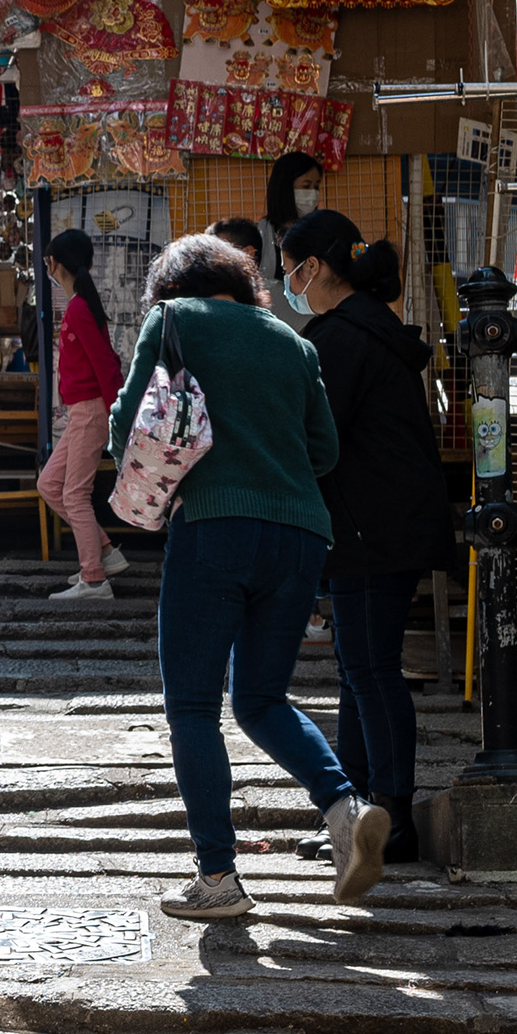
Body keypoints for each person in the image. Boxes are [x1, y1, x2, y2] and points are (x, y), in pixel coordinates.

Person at [110, 232, 392, 921]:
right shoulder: (293, 340)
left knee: (194, 708)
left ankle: (218, 878)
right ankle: (342, 805)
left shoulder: (173, 321)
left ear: (171, 286)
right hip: (300, 536)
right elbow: (323, 449)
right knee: (262, 698)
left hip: (215, 528)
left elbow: (127, 424)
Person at [282, 212, 450, 864]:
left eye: (289, 266)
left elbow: (313, 436)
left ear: (314, 268)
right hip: (376, 523)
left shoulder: (342, 339)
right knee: (358, 671)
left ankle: (391, 817)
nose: (285, 280)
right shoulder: (365, 328)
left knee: (371, 670)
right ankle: (358, 814)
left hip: (373, 525)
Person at [38, 227, 125, 600]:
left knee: (73, 494)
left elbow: (105, 364)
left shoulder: (78, 308)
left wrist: (116, 413)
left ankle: (94, 578)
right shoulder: (81, 305)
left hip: (91, 412)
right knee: (50, 485)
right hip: (84, 412)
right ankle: (104, 553)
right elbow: (107, 362)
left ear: (54, 264)